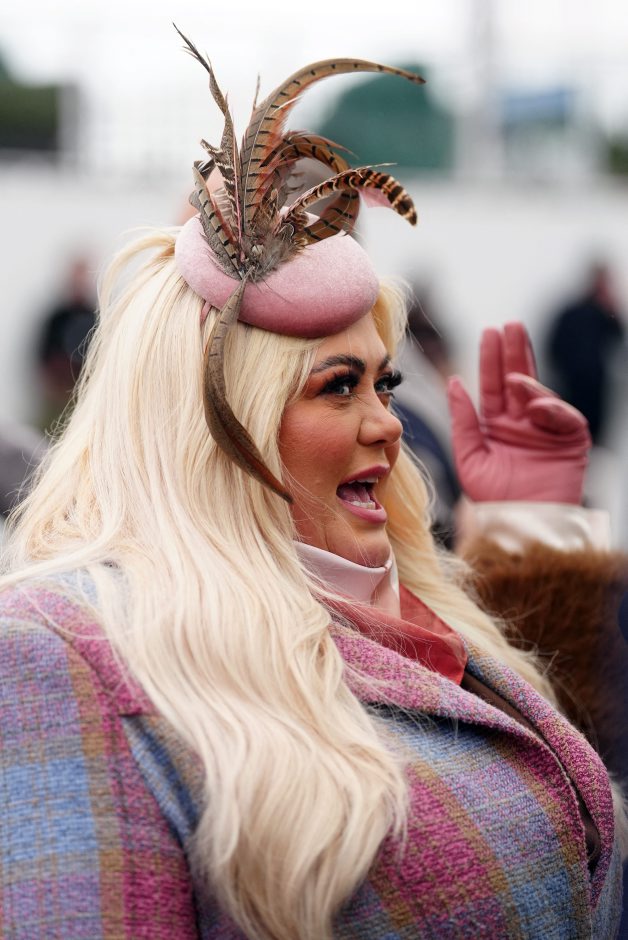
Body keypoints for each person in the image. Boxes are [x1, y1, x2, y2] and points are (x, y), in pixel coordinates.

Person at [0, 36, 624, 939]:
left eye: (385, 383)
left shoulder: (402, 593)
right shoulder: (58, 654)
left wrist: (535, 528)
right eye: (339, 386)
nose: (388, 423)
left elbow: (566, 824)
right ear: (222, 424)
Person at [546, 261, 625, 446]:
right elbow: (554, 347)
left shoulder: (605, 313)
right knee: (571, 438)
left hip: (597, 390)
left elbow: (618, 340)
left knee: (594, 441)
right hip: (572, 388)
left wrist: (612, 309)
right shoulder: (571, 312)